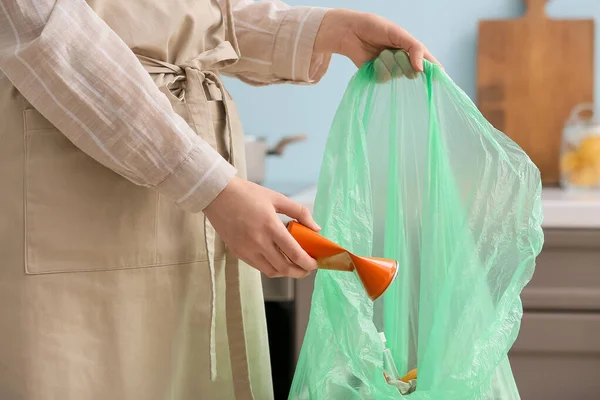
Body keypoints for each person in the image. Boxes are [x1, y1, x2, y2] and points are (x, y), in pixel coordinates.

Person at [0, 1, 440, 399]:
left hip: (202, 172)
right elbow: (46, 33)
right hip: (80, 185)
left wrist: (331, 29)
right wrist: (213, 188)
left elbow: (197, 16)